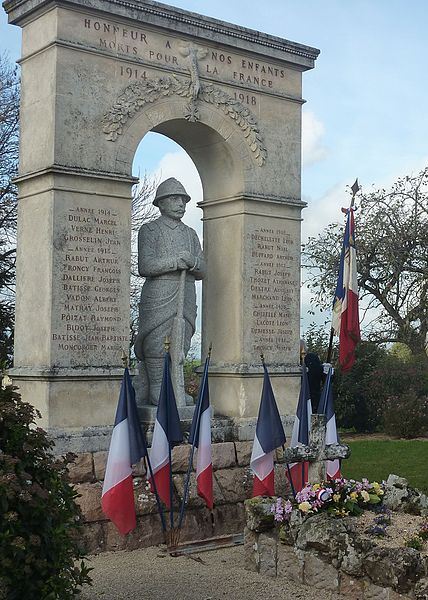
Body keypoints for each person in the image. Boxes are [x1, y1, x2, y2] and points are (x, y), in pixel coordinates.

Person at [134, 178, 206, 405]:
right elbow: (145, 266)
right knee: (156, 340)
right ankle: (156, 387)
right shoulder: (150, 230)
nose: (181, 204)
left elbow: (203, 268)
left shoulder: (191, 233)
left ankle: (176, 385)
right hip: (159, 292)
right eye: (175, 199)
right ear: (161, 203)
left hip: (185, 292)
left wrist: (193, 262)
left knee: (181, 340)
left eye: (183, 200)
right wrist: (176, 262)